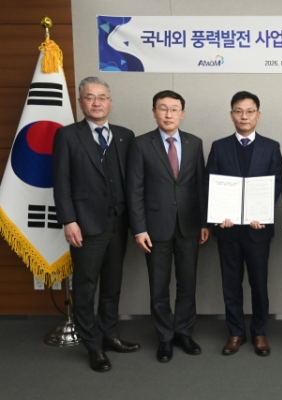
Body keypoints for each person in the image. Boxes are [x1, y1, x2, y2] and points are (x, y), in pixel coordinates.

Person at [53, 76, 139, 372]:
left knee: (112, 284)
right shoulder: (67, 136)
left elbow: (134, 181)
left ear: (110, 102)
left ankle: (110, 334)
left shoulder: (125, 135)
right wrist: (69, 220)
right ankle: (93, 345)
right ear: (81, 102)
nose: (97, 102)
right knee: (86, 286)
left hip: (119, 222)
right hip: (85, 224)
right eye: (90, 97)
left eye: (102, 97)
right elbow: (61, 182)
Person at [127, 90, 210, 363]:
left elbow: (199, 186)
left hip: (189, 226)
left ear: (182, 114)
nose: (168, 114)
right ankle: (164, 337)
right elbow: (135, 190)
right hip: (155, 228)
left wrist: (203, 222)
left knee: (187, 283)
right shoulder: (141, 144)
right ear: (154, 112)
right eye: (163, 108)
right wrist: (139, 229)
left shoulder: (194, 143)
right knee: (159, 286)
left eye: (174, 109)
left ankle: (184, 332)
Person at [205, 91, 282, 356]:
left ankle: (259, 332)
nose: (244, 116)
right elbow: (210, 183)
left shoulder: (271, 147)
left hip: (258, 229)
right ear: (231, 115)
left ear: (258, 115)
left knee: (259, 285)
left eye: (250, 111)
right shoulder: (219, 146)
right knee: (231, 284)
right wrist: (218, 216)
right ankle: (236, 332)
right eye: (238, 111)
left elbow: (277, 183)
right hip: (227, 230)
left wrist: (263, 213)